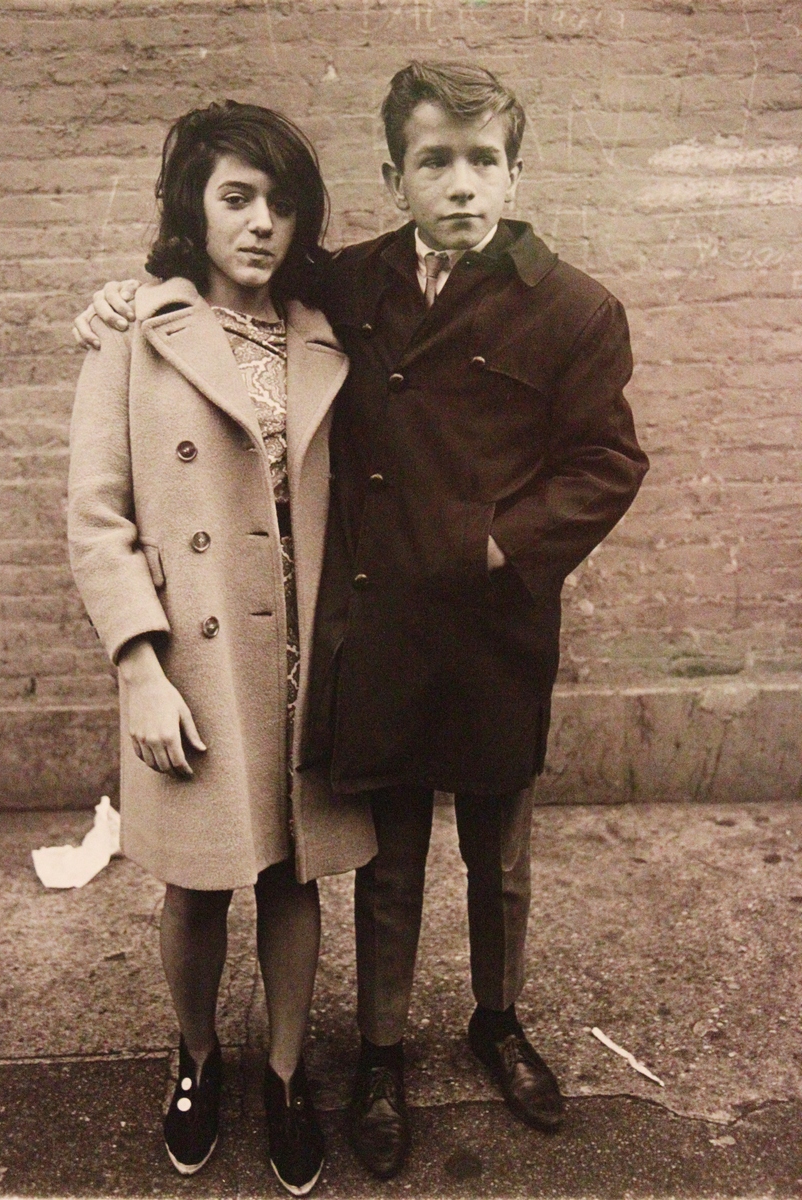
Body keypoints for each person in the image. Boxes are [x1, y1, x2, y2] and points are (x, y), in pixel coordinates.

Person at [74, 61, 649, 1181]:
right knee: (378, 863)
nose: (461, 186)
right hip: (360, 635)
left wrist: (499, 545)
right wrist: (122, 295)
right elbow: (202, 322)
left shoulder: (570, 307)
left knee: (497, 856)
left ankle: (494, 1021)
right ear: (393, 175)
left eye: (483, 161)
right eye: (433, 162)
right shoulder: (352, 285)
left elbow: (606, 461)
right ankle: (371, 1054)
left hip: (487, 631)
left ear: (515, 172)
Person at [67, 99, 376, 1196]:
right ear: (190, 207)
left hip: (307, 653)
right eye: (235, 197)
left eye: (280, 203)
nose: (259, 223)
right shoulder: (132, 331)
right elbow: (96, 517)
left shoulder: (325, 327)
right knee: (198, 884)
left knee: (296, 877)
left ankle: (286, 1075)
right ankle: (196, 1059)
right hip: (191, 661)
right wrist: (138, 670)